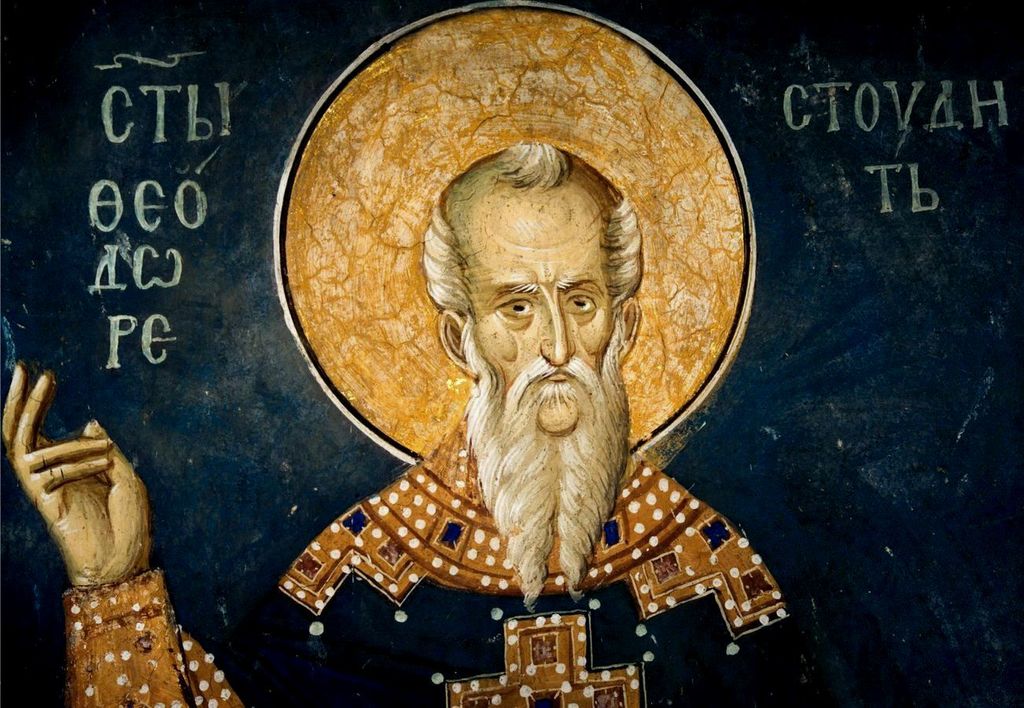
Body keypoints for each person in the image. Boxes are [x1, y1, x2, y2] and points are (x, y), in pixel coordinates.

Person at [3, 144, 787, 707]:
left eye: (580, 301)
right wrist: (114, 585)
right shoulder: (362, 568)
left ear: (626, 326)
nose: (555, 345)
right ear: (460, 337)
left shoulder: (710, 568)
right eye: (516, 306)